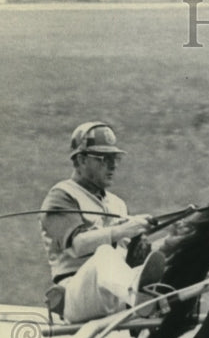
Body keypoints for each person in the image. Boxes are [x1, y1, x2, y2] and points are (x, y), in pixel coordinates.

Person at [40, 121, 166, 323]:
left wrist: (146, 242)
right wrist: (123, 230)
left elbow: (130, 262)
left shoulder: (118, 204)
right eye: (103, 159)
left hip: (115, 294)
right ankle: (139, 300)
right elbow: (78, 245)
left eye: (115, 158)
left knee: (168, 258)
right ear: (81, 160)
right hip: (75, 295)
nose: (113, 166)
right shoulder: (61, 196)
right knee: (105, 254)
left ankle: (149, 301)